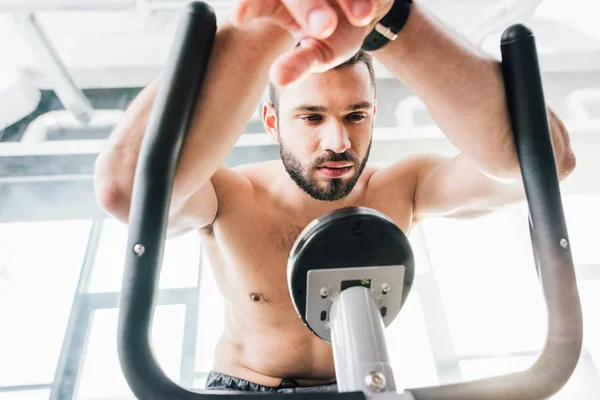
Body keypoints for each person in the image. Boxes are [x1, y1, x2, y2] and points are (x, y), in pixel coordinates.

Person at [93, 0, 576, 393]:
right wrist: (273, 24)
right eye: (311, 117)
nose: (338, 143)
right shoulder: (230, 195)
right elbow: (125, 191)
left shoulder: (399, 188)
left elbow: (540, 167)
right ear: (272, 121)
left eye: (356, 115)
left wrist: (390, 17)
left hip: (365, 384)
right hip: (243, 388)